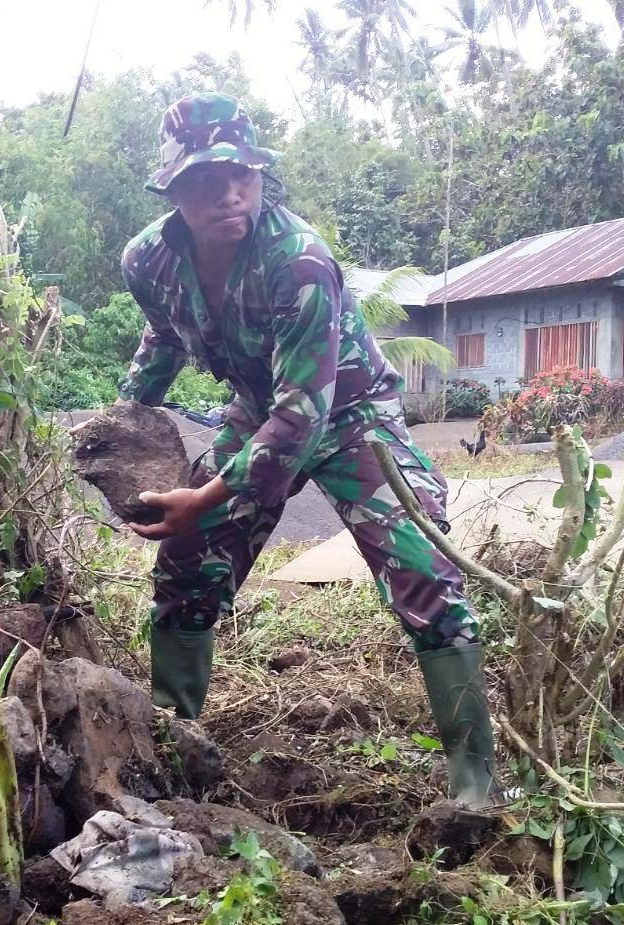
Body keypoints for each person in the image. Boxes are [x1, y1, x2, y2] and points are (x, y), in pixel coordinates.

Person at [116, 92, 508, 809]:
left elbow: (303, 417)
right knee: (186, 563)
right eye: (208, 179)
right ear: (173, 189)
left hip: (351, 417)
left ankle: (475, 787)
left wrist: (204, 496)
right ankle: (175, 742)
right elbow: (163, 338)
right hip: (255, 409)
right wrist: (123, 422)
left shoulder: (296, 260)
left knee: (423, 566)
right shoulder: (148, 262)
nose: (231, 193)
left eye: (245, 176)